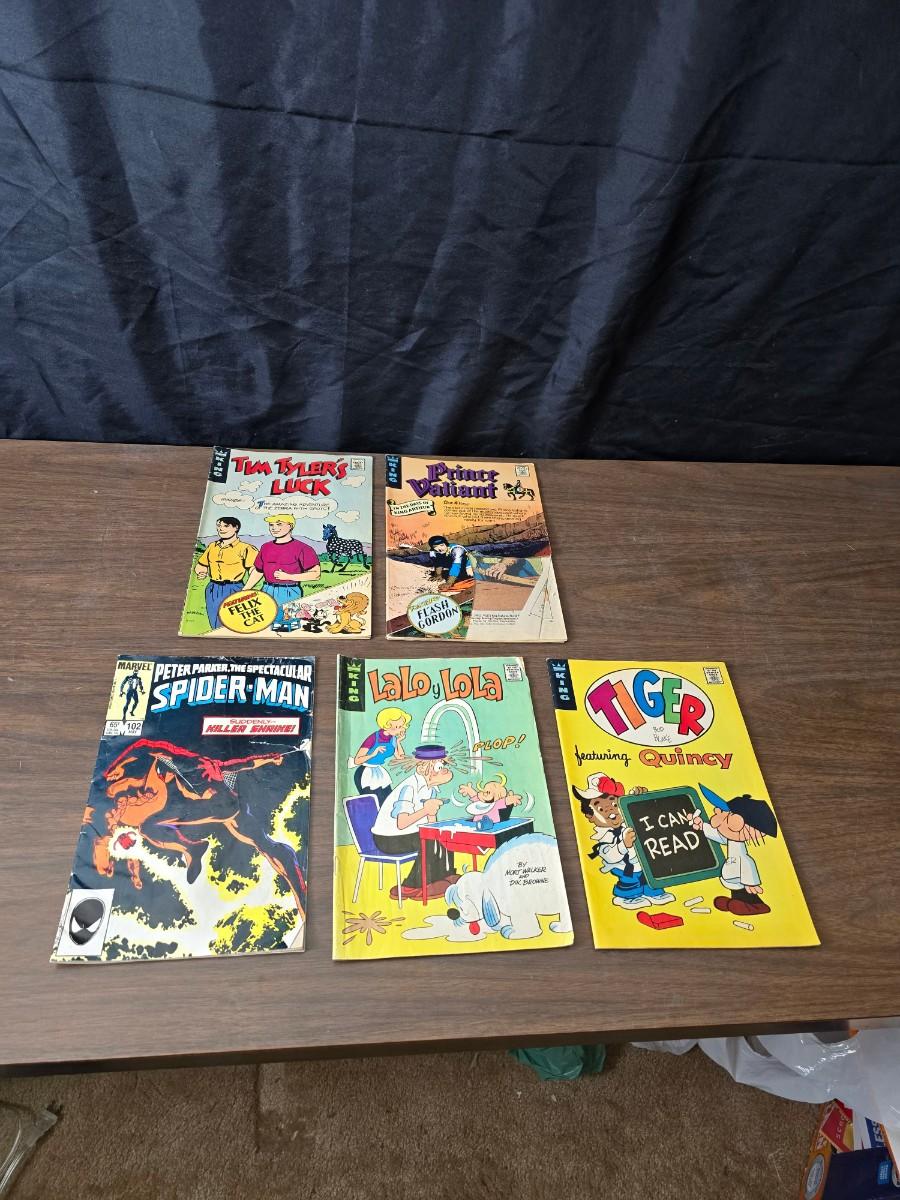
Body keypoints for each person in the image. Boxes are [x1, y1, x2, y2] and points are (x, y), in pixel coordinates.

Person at [572, 773, 674, 909]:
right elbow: (609, 856)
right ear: (590, 816)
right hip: (623, 867)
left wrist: (639, 797)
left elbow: (642, 812)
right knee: (630, 881)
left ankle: (653, 893)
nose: (609, 808)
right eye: (599, 807)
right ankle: (628, 897)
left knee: (649, 877)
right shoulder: (604, 837)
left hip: (644, 862)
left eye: (613, 802)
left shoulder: (629, 820)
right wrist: (623, 845)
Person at [371, 744, 457, 901]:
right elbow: (402, 823)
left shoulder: (430, 789)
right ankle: (412, 886)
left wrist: (432, 817)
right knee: (427, 840)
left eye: (444, 765)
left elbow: (430, 824)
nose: (445, 770)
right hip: (387, 839)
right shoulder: (409, 787)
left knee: (444, 836)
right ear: (424, 768)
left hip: (408, 834)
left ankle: (445, 876)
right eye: (439, 767)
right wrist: (426, 810)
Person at [691, 786, 778, 916]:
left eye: (723, 811)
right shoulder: (730, 839)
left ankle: (757, 906)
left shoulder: (741, 851)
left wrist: (751, 883)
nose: (716, 811)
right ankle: (736, 902)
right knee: (737, 890)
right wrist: (702, 826)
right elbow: (719, 836)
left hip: (740, 873)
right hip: (733, 871)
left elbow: (748, 863)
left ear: (736, 822)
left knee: (746, 892)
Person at [243, 513, 321, 632]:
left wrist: (289, 576)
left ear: (290, 526)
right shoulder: (265, 547)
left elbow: (315, 574)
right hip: (267, 590)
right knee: (267, 625)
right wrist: (245, 589)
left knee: (286, 627)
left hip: (289, 591)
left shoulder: (303, 548)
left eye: (279, 524)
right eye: (271, 525)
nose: (274, 528)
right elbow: (258, 571)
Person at [194, 517, 258, 630]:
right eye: (219, 526)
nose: (221, 529)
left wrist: (246, 589)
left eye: (226, 526)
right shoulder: (212, 546)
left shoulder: (246, 548)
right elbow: (201, 565)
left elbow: (256, 570)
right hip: (213, 588)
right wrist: (201, 572)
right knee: (215, 622)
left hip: (234, 588)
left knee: (234, 623)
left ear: (236, 528)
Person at [352, 708, 412, 805]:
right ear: (386, 725)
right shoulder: (373, 738)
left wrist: (398, 742)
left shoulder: (393, 739)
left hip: (379, 772)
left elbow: (400, 757)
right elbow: (357, 760)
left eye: (402, 726)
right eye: (398, 726)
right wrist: (373, 754)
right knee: (372, 803)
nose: (401, 729)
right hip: (365, 773)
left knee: (387, 802)